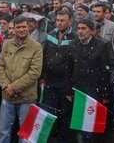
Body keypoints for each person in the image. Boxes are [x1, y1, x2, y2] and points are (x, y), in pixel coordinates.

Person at [66, 18, 113, 142]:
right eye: (78, 29)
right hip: (78, 89)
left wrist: (105, 93)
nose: (80, 32)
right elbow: (69, 69)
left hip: (94, 90)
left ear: (92, 31)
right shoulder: (72, 44)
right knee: (79, 124)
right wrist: (68, 90)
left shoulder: (102, 45)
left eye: (83, 29)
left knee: (92, 126)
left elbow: (105, 70)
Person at [0, 16, 43, 143]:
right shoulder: (6, 44)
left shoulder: (36, 47)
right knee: (4, 132)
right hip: (7, 96)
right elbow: (0, 67)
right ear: (14, 29)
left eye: (24, 26)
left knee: (25, 134)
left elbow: (34, 73)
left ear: (28, 27)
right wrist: (6, 86)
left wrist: (14, 87)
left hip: (26, 97)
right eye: (18, 27)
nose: (21, 29)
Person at [40, 9, 76, 142]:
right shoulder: (50, 34)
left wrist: (70, 84)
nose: (59, 23)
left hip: (65, 82)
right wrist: (43, 75)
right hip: (50, 80)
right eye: (57, 20)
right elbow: (45, 54)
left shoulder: (74, 37)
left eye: (63, 20)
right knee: (48, 112)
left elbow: (74, 62)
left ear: (70, 21)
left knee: (65, 114)